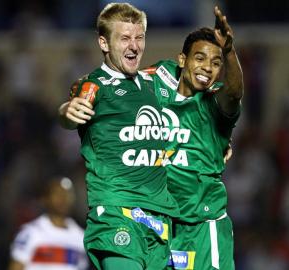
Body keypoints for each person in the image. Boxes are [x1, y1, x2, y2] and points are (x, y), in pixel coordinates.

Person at [58, 2, 179, 270]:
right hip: (116, 216)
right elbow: (71, 112)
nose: (134, 46)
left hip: (160, 221)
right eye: (124, 38)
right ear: (104, 43)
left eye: (139, 37)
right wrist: (67, 110)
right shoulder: (95, 85)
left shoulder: (155, 83)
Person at [145, 7, 243, 269]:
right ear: (182, 59)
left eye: (215, 62)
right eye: (200, 58)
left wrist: (230, 51)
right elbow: (123, 86)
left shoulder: (214, 102)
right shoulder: (158, 78)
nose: (207, 68)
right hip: (161, 223)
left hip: (202, 224)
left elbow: (234, 94)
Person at [8, 176, 88, 270]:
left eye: (67, 194)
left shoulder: (81, 237)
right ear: (45, 199)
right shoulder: (30, 233)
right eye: (57, 193)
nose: (62, 198)